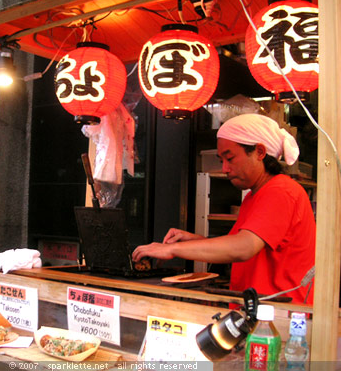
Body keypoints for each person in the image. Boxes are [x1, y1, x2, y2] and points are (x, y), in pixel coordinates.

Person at [132, 113, 315, 304]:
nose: (225, 168)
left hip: (278, 317)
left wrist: (174, 250)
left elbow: (243, 248)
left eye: (230, 158)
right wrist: (193, 240)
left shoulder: (281, 190)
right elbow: (235, 246)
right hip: (257, 309)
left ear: (260, 152)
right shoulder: (255, 196)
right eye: (221, 161)